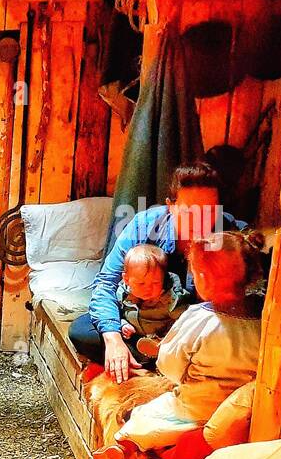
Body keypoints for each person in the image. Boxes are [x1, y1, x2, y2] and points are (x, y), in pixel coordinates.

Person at [92, 231, 264, 459]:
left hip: (195, 406)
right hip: (238, 409)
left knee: (147, 418)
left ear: (203, 277)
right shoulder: (262, 319)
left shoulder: (198, 317)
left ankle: (123, 446)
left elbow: (169, 365)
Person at [70, 162, 246, 382]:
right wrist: (114, 340)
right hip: (143, 324)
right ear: (170, 206)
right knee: (82, 331)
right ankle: (158, 363)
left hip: (196, 330)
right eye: (189, 210)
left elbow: (239, 301)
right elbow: (106, 282)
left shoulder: (230, 235)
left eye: (209, 210)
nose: (199, 219)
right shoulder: (144, 225)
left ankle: (155, 363)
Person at [115, 244, 190, 361]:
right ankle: (142, 357)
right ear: (126, 279)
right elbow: (118, 312)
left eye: (155, 283)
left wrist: (167, 299)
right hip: (134, 337)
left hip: (161, 339)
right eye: (141, 284)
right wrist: (123, 324)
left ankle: (157, 354)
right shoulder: (123, 293)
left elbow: (185, 319)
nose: (148, 289)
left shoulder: (170, 298)